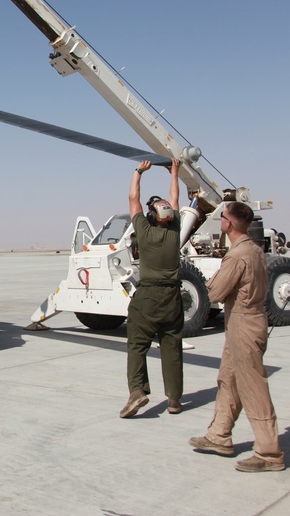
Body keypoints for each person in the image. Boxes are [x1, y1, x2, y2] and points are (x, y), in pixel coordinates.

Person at [189, 201, 285, 472]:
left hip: (243, 322)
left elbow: (215, 292)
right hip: (247, 320)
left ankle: (269, 453)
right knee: (228, 379)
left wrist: (213, 280)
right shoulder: (254, 250)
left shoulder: (237, 255)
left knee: (253, 388)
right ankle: (219, 435)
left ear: (228, 223)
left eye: (223, 217)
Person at [120, 158, 184, 418]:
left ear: (151, 216)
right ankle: (174, 400)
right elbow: (175, 198)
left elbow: (132, 198)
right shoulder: (175, 231)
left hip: (148, 295)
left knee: (137, 344)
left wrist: (139, 172)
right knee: (172, 346)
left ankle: (137, 391)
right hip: (173, 297)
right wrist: (174, 172)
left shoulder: (144, 232)